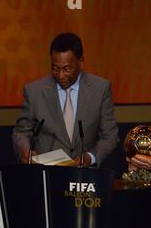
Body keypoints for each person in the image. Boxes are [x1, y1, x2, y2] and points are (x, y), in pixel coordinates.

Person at [12, 32, 118, 167]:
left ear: (81, 62)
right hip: (47, 174)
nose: (61, 75)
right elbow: (21, 132)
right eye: (55, 68)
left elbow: (110, 136)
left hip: (84, 176)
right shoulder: (34, 91)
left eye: (67, 69)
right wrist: (24, 151)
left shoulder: (100, 89)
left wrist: (90, 157)